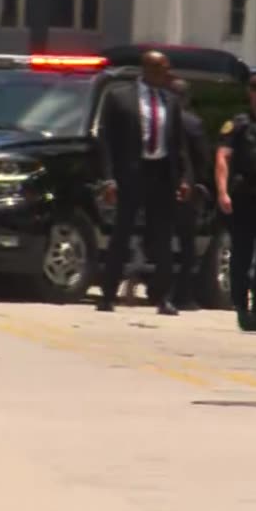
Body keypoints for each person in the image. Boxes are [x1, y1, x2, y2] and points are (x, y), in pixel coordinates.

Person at [97, 50, 192, 316]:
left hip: (161, 174)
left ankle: (162, 298)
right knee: (122, 234)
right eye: (163, 67)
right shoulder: (119, 97)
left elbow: (178, 144)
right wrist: (108, 178)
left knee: (162, 238)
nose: (168, 72)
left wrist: (183, 177)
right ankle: (107, 295)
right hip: (130, 174)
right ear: (148, 68)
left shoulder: (171, 101)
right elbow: (106, 142)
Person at [215, 71, 256, 331]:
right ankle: (242, 307)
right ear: (254, 94)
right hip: (244, 197)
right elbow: (223, 158)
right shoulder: (238, 124)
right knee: (241, 255)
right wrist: (222, 192)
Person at [168, 77, 210, 312]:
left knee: (162, 242)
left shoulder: (160, 120)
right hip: (187, 190)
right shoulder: (192, 123)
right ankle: (182, 295)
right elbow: (202, 157)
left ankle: (161, 291)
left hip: (161, 188)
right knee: (186, 246)